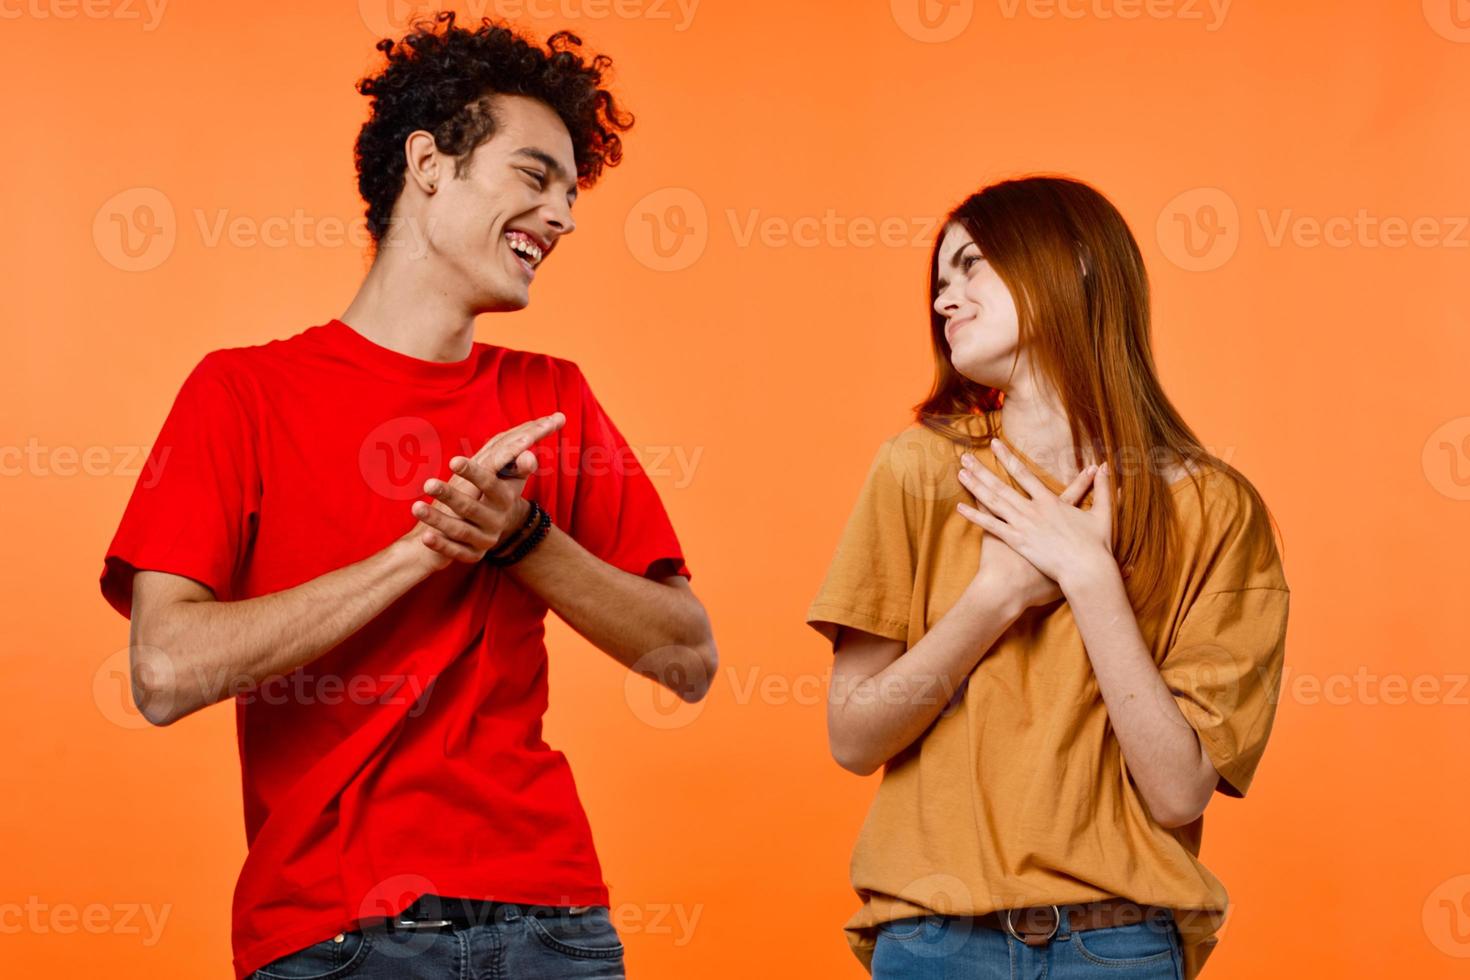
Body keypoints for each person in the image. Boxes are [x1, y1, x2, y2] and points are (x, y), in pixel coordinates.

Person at [99, 13, 716, 979]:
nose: (564, 217)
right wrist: (420, 550)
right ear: (428, 164)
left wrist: (520, 539)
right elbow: (166, 673)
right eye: (534, 176)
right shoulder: (242, 394)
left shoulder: (552, 397)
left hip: (549, 921)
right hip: (328, 935)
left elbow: (688, 657)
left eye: (571, 190)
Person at [806, 175, 1288, 980]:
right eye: (938, 282)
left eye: (970, 267)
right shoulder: (919, 470)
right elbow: (853, 738)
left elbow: (1177, 793)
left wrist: (1088, 576)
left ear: (1075, 265)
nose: (944, 300)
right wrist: (997, 595)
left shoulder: (1217, 509)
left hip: (1122, 947)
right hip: (933, 944)